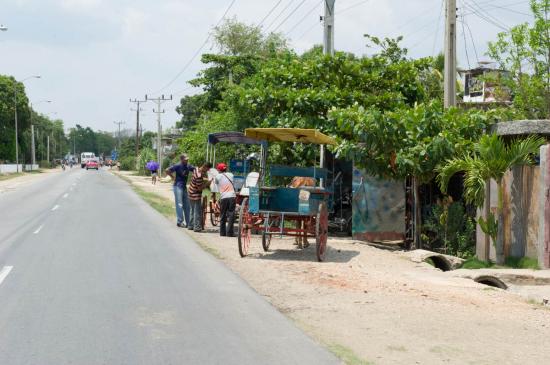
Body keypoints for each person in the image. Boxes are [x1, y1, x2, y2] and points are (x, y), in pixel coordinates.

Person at [166, 154, 195, 228]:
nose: (187, 160)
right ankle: (180, 221)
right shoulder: (177, 165)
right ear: (181, 160)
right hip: (177, 186)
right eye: (185, 159)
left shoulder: (188, 166)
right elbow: (167, 170)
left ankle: (189, 223)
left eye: (187, 159)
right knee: (180, 204)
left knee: (187, 204)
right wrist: (173, 177)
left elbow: (195, 169)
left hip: (184, 187)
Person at [188, 162, 212, 232]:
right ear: (205, 167)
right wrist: (207, 184)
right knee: (197, 211)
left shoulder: (196, 169)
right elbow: (199, 188)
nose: (207, 171)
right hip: (195, 194)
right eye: (207, 170)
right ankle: (197, 227)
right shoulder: (199, 176)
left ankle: (191, 225)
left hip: (190, 192)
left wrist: (204, 178)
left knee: (192, 210)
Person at [214, 163, 236, 237]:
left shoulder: (217, 176)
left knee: (223, 215)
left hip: (223, 197)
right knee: (231, 214)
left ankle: (222, 233)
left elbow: (216, 184)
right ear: (226, 168)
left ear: (219, 170)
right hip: (232, 196)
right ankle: (229, 233)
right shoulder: (231, 175)